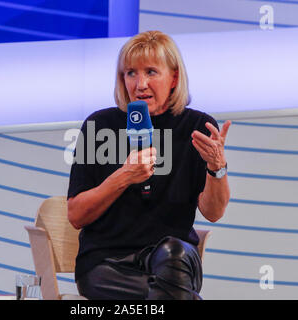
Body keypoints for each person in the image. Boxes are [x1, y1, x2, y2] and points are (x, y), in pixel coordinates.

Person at [67, 30, 231, 300]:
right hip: (107, 265)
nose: (140, 84)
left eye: (151, 72)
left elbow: (213, 212)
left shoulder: (197, 127)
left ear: (174, 77)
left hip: (175, 259)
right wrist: (123, 176)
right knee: (169, 294)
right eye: (131, 73)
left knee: (172, 255)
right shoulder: (99, 126)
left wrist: (217, 168)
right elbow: (76, 216)